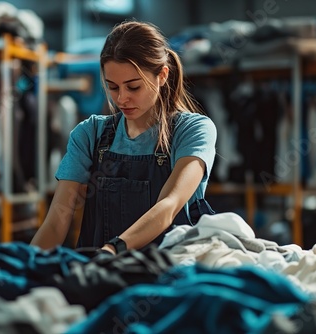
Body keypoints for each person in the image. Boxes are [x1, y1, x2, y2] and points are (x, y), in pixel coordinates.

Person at [30, 20, 217, 254]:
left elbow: (168, 206)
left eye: (133, 87)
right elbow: (57, 221)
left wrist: (112, 250)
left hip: (169, 275)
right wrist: (27, 263)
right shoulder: (90, 134)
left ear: (162, 75)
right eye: (113, 87)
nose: (121, 99)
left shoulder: (193, 130)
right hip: (101, 276)